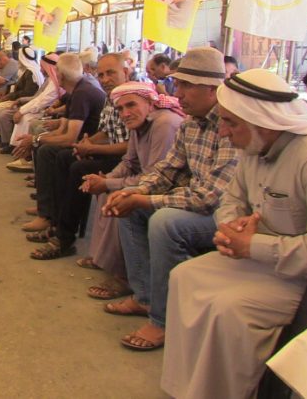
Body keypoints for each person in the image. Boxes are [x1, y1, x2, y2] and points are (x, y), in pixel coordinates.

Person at [162, 69, 307, 398]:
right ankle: (188, 389)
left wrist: (253, 246)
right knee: (184, 276)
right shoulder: (253, 147)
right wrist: (231, 226)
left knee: (229, 308)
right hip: (271, 264)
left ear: (263, 122)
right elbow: (232, 200)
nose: (222, 132)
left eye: (230, 123)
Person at [101, 47, 238, 351]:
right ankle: (145, 297)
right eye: (178, 84)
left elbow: (210, 198)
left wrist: (146, 200)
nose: (178, 93)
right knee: (129, 206)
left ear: (213, 89)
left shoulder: (230, 124)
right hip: (197, 202)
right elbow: (167, 169)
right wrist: (135, 192)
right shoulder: (191, 123)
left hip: (227, 214)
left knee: (165, 222)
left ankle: (163, 321)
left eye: (187, 86)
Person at [78, 82, 185, 300]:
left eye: (131, 105)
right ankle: (104, 258)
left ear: (149, 103)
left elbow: (156, 177)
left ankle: (125, 275)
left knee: (121, 200)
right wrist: (106, 178)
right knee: (107, 190)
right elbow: (129, 162)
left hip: (170, 189)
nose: (125, 113)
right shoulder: (139, 123)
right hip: (151, 182)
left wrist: (109, 184)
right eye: (120, 109)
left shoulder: (164, 124)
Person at [26, 53, 131, 259]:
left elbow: (130, 147)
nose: (105, 79)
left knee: (76, 167)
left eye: (111, 73)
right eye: (101, 74)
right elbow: (106, 132)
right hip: (111, 152)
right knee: (64, 157)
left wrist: (91, 148)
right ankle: (55, 221)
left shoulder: (132, 97)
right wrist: (87, 144)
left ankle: (63, 238)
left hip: (126, 161)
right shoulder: (110, 96)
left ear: (126, 72)